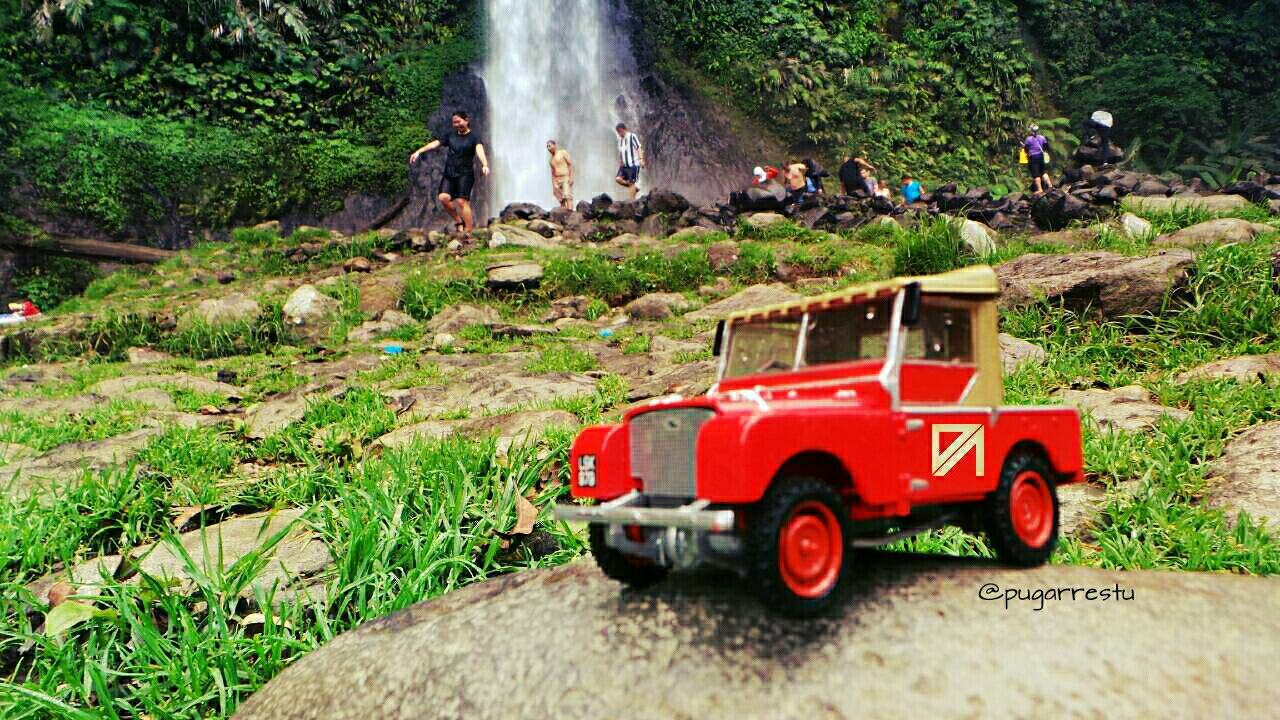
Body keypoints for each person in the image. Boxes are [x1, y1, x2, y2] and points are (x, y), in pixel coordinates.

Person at [410, 111, 490, 233]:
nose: (457, 125)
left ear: (466, 120)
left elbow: (479, 150)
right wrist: (419, 151)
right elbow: (436, 143)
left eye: (459, 122)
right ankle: (458, 221)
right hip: (450, 173)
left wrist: (484, 164)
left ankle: (468, 231)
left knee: (462, 201)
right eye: (454, 123)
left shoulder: (474, 137)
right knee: (443, 197)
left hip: (465, 174)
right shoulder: (450, 135)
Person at [614, 123, 644, 200]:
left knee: (631, 183)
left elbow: (638, 147)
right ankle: (634, 188)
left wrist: (641, 159)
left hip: (633, 165)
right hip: (624, 166)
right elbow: (622, 152)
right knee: (618, 179)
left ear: (625, 129)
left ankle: (633, 201)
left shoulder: (632, 136)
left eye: (620, 131)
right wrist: (621, 161)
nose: (619, 134)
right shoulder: (621, 140)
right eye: (618, 132)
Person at [1023, 124, 1053, 194]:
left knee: (1036, 174)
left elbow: (1026, 150)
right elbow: (1046, 147)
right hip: (1041, 157)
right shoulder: (1042, 138)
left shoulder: (1028, 139)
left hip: (1033, 158)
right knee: (1042, 172)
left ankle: (1040, 190)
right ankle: (1050, 186)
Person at [547, 140, 575, 209]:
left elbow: (570, 164)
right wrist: (554, 185)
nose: (548, 148)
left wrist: (571, 177)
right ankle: (563, 212)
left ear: (554, 145)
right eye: (547, 147)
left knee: (567, 196)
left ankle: (570, 212)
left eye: (550, 146)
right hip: (557, 180)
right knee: (560, 198)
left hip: (565, 177)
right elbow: (553, 173)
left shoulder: (563, 153)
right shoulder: (551, 160)